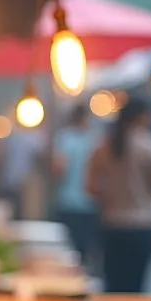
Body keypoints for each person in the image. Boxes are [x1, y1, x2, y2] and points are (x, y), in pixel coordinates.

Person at [86, 98, 151, 301]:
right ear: (142, 116)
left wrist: (110, 197)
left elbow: (90, 187)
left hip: (111, 224)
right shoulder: (149, 146)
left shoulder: (104, 146)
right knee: (135, 287)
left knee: (113, 283)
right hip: (140, 225)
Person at [53, 104, 101, 271]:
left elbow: (59, 168)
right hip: (90, 202)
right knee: (85, 250)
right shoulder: (94, 140)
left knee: (69, 249)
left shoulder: (65, 138)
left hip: (68, 200)